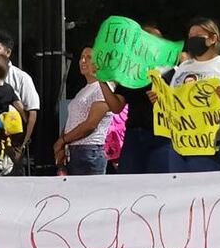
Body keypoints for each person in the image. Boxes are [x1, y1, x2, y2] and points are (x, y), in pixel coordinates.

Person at [157, 17, 220, 172]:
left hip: (212, 144)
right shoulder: (184, 67)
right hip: (179, 145)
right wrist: (160, 101)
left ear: (213, 39)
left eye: (198, 36)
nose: (192, 40)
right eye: (190, 36)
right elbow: (174, 105)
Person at [98, 24, 171, 174]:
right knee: (129, 181)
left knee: (160, 181)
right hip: (134, 136)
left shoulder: (170, 71)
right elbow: (116, 107)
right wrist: (102, 81)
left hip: (163, 136)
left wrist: (164, 98)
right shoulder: (131, 73)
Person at [0, 30, 39, 171]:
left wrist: (20, 146)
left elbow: (31, 114)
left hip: (11, 148)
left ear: (8, 52)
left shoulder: (21, 77)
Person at [55, 47, 114, 175]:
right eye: (81, 57)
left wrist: (63, 140)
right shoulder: (84, 90)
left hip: (90, 150)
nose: (83, 61)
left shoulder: (103, 88)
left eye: (88, 57)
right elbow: (72, 120)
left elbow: (90, 125)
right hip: (74, 150)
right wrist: (63, 144)